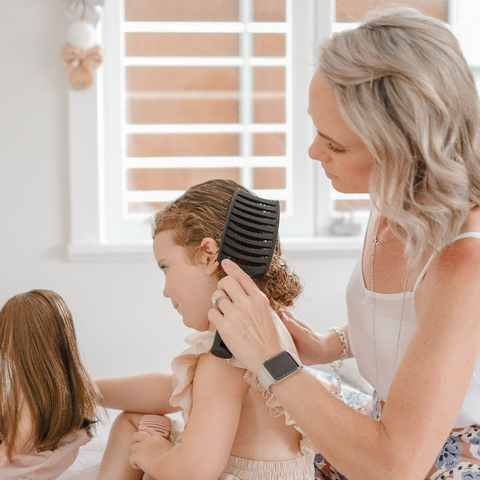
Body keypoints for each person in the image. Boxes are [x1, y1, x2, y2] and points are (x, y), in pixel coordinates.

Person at [207, 7, 480, 480]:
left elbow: (395, 466)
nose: (314, 152)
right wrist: (323, 346)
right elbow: (411, 326)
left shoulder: (464, 260)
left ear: (402, 150)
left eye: (335, 145)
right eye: (316, 129)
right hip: (384, 424)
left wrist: (273, 358)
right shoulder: (394, 200)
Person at [96, 179, 316, 480]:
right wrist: (87, 391)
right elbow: (172, 388)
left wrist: (153, 454)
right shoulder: (265, 330)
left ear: (208, 255)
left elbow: (193, 471)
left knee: (132, 428)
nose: (165, 290)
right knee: (134, 419)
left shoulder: (226, 353)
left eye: (165, 267)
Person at [0, 289, 100, 479]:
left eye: (7, 335)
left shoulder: (33, 395)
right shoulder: (61, 382)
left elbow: (12, 445)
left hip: (27, 461)